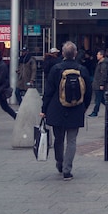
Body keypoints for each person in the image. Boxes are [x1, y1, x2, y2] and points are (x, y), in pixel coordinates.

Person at [41, 41, 92, 180]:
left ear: (63, 53)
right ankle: (67, 169)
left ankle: (60, 161)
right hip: (76, 109)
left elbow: (49, 91)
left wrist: (44, 109)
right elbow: (88, 91)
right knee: (72, 140)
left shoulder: (56, 69)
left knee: (59, 138)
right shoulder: (82, 69)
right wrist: (84, 106)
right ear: (75, 53)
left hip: (57, 109)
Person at [88, 49, 108, 119]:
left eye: (98, 54)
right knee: (102, 100)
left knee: (98, 99)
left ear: (101, 55)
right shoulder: (100, 63)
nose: (97, 55)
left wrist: (101, 84)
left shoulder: (103, 64)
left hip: (99, 84)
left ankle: (95, 112)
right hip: (97, 83)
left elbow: (103, 75)